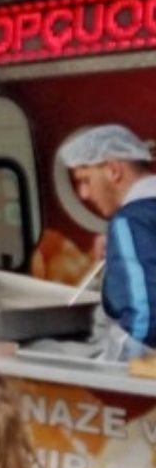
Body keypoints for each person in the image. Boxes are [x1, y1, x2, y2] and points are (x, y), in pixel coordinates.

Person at [58, 124, 156, 358]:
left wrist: (113, 368)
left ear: (113, 170)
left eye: (85, 180)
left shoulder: (130, 221)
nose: (83, 194)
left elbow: (144, 317)